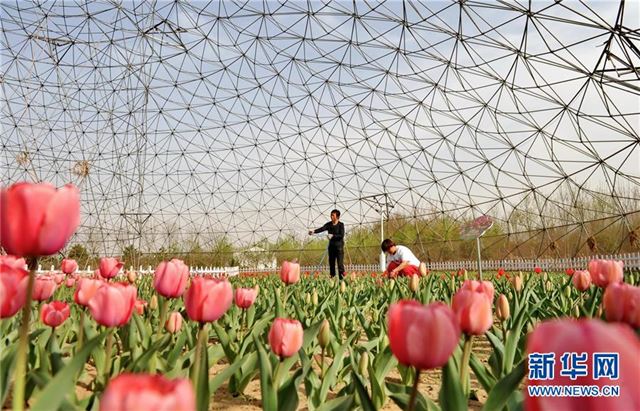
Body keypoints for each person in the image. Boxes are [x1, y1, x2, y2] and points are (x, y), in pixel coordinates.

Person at [309, 209, 345, 280]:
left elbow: (341, 235)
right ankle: (332, 279)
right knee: (331, 264)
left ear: (337, 217)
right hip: (331, 248)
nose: (331, 216)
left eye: (333, 215)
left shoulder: (341, 225)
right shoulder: (328, 224)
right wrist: (313, 231)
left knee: (340, 264)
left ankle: (342, 279)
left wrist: (333, 236)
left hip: (339, 248)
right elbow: (322, 228)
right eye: (331, 215)